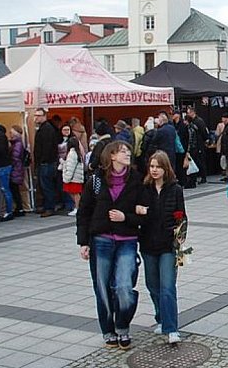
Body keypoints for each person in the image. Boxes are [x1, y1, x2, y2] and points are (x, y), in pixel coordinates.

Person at [76, 141, 143, 350]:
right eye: (123, 151)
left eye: (127, 151)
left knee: (124, 288)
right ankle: (108, 331)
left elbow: (143, 212)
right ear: (111, 156)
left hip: (127, 241)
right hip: (101, 240)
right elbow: (84, 212)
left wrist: (126, 217)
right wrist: (83, 242)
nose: (127, 154)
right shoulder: (96, 181)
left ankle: (122, 326)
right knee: (102, 289)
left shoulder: (136, 179)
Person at [136, 150, 185, 344]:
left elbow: (181, 217)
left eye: (158, 166)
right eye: (152, 166)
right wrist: (138, 211)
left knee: (167, 287)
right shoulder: (144, 189)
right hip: (148, 244)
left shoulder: (175, 189)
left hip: (168, 246)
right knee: (152, 285)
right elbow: (137, 214)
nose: (155, 170)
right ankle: (161, 318)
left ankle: (171, 327)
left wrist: (179, 242)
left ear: (166, 168)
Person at [33, 108, 60, 217]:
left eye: (39, 115)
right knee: (45, 185)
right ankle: (47, 206)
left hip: (47, 163)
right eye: (35, 115)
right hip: (45, 162)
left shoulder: (47, 129)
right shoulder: (44, 128)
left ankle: (50, 207)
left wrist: (43, 160)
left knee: (47, 185)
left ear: (44, 116)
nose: (36, 117)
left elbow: (47, 147)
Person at [186, 107, 209, 184]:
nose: (188, 114)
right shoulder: (192, 121)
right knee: (195, 161)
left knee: (200, 161)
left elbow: (204, 132)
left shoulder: (199, 121)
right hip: (195, 145)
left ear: (193, 112)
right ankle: (195, 177)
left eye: (189, 112)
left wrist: (205, 140)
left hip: (199, 144)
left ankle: (203, 177)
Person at [62, 137, 84, 216]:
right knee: (75, 193)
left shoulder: (72, 154)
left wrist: (67, 177)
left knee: (75, 193)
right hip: (77, 177)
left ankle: (78, 208)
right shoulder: (77, 153)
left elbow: (71, 166)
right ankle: (79, 207)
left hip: (73, 178)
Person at [184, 114, 202, 187]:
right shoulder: (194, 127)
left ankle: (191, 182)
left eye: (184, 120)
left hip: (191, 149)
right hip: (195, 148)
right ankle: (193, 181)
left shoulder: (190, 129)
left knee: (190, 165)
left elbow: (189, 140)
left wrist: (187, 150)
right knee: (193, 164)